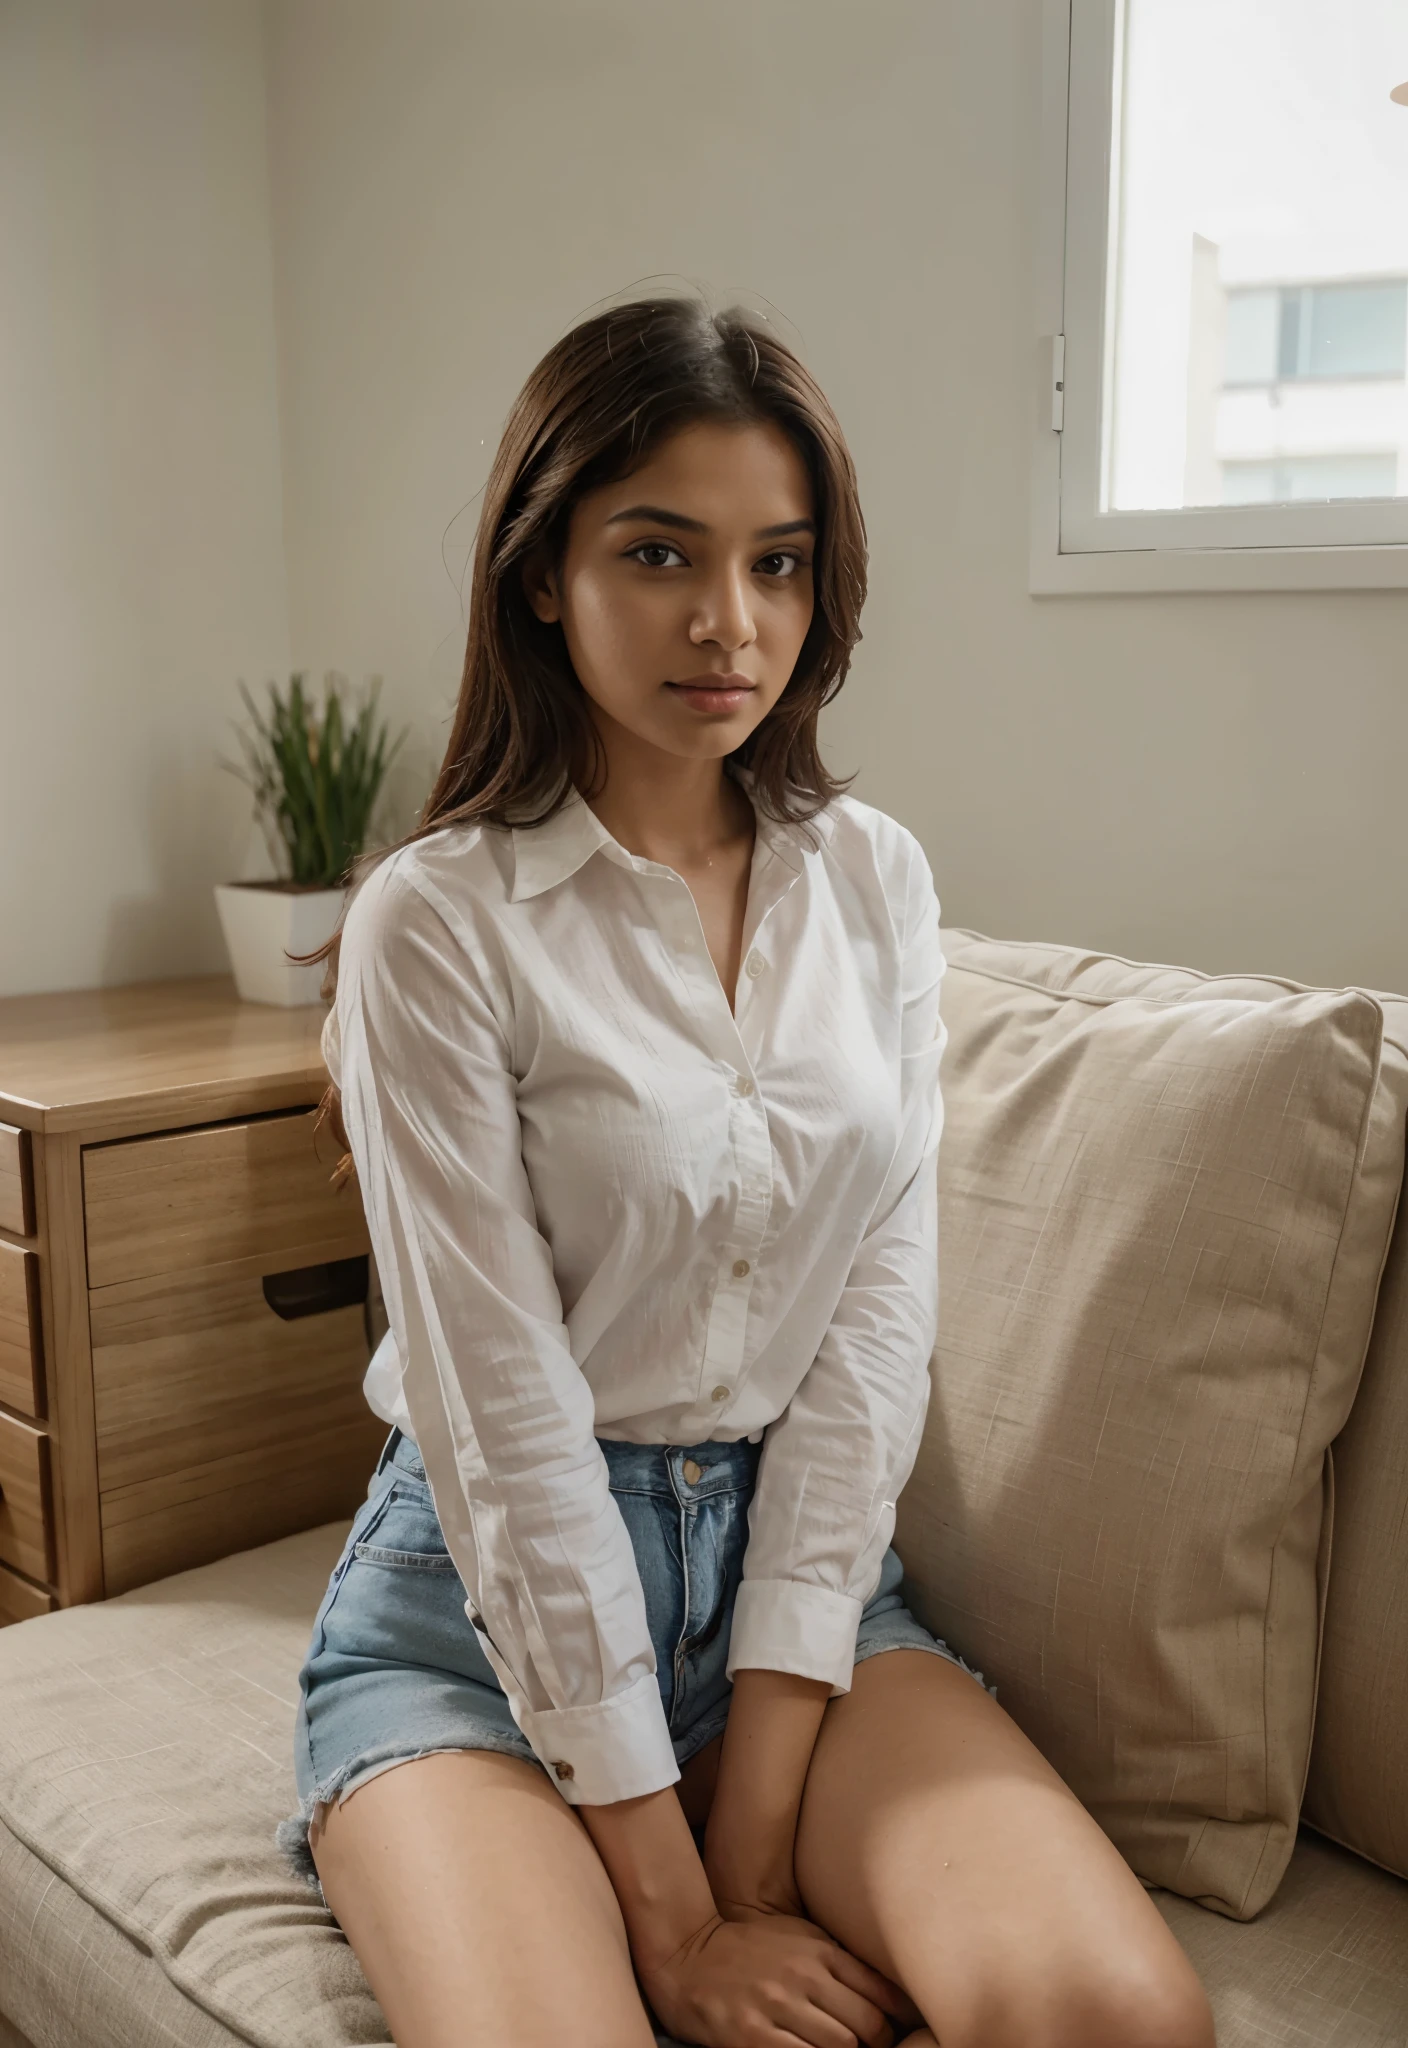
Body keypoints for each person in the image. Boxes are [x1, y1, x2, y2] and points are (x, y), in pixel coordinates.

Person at [278, 295, 1215, 2048]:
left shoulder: (877, 884)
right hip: (480, 1618)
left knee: (1118, 2020)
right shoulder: (438, 922)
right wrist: (678, 1912)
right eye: (661, 553)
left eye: (780, 565)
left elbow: (877, 1323)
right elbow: (501, 1419)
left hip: (802, 1579)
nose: (733, 624)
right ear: (542, 572)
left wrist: (763, 1816)